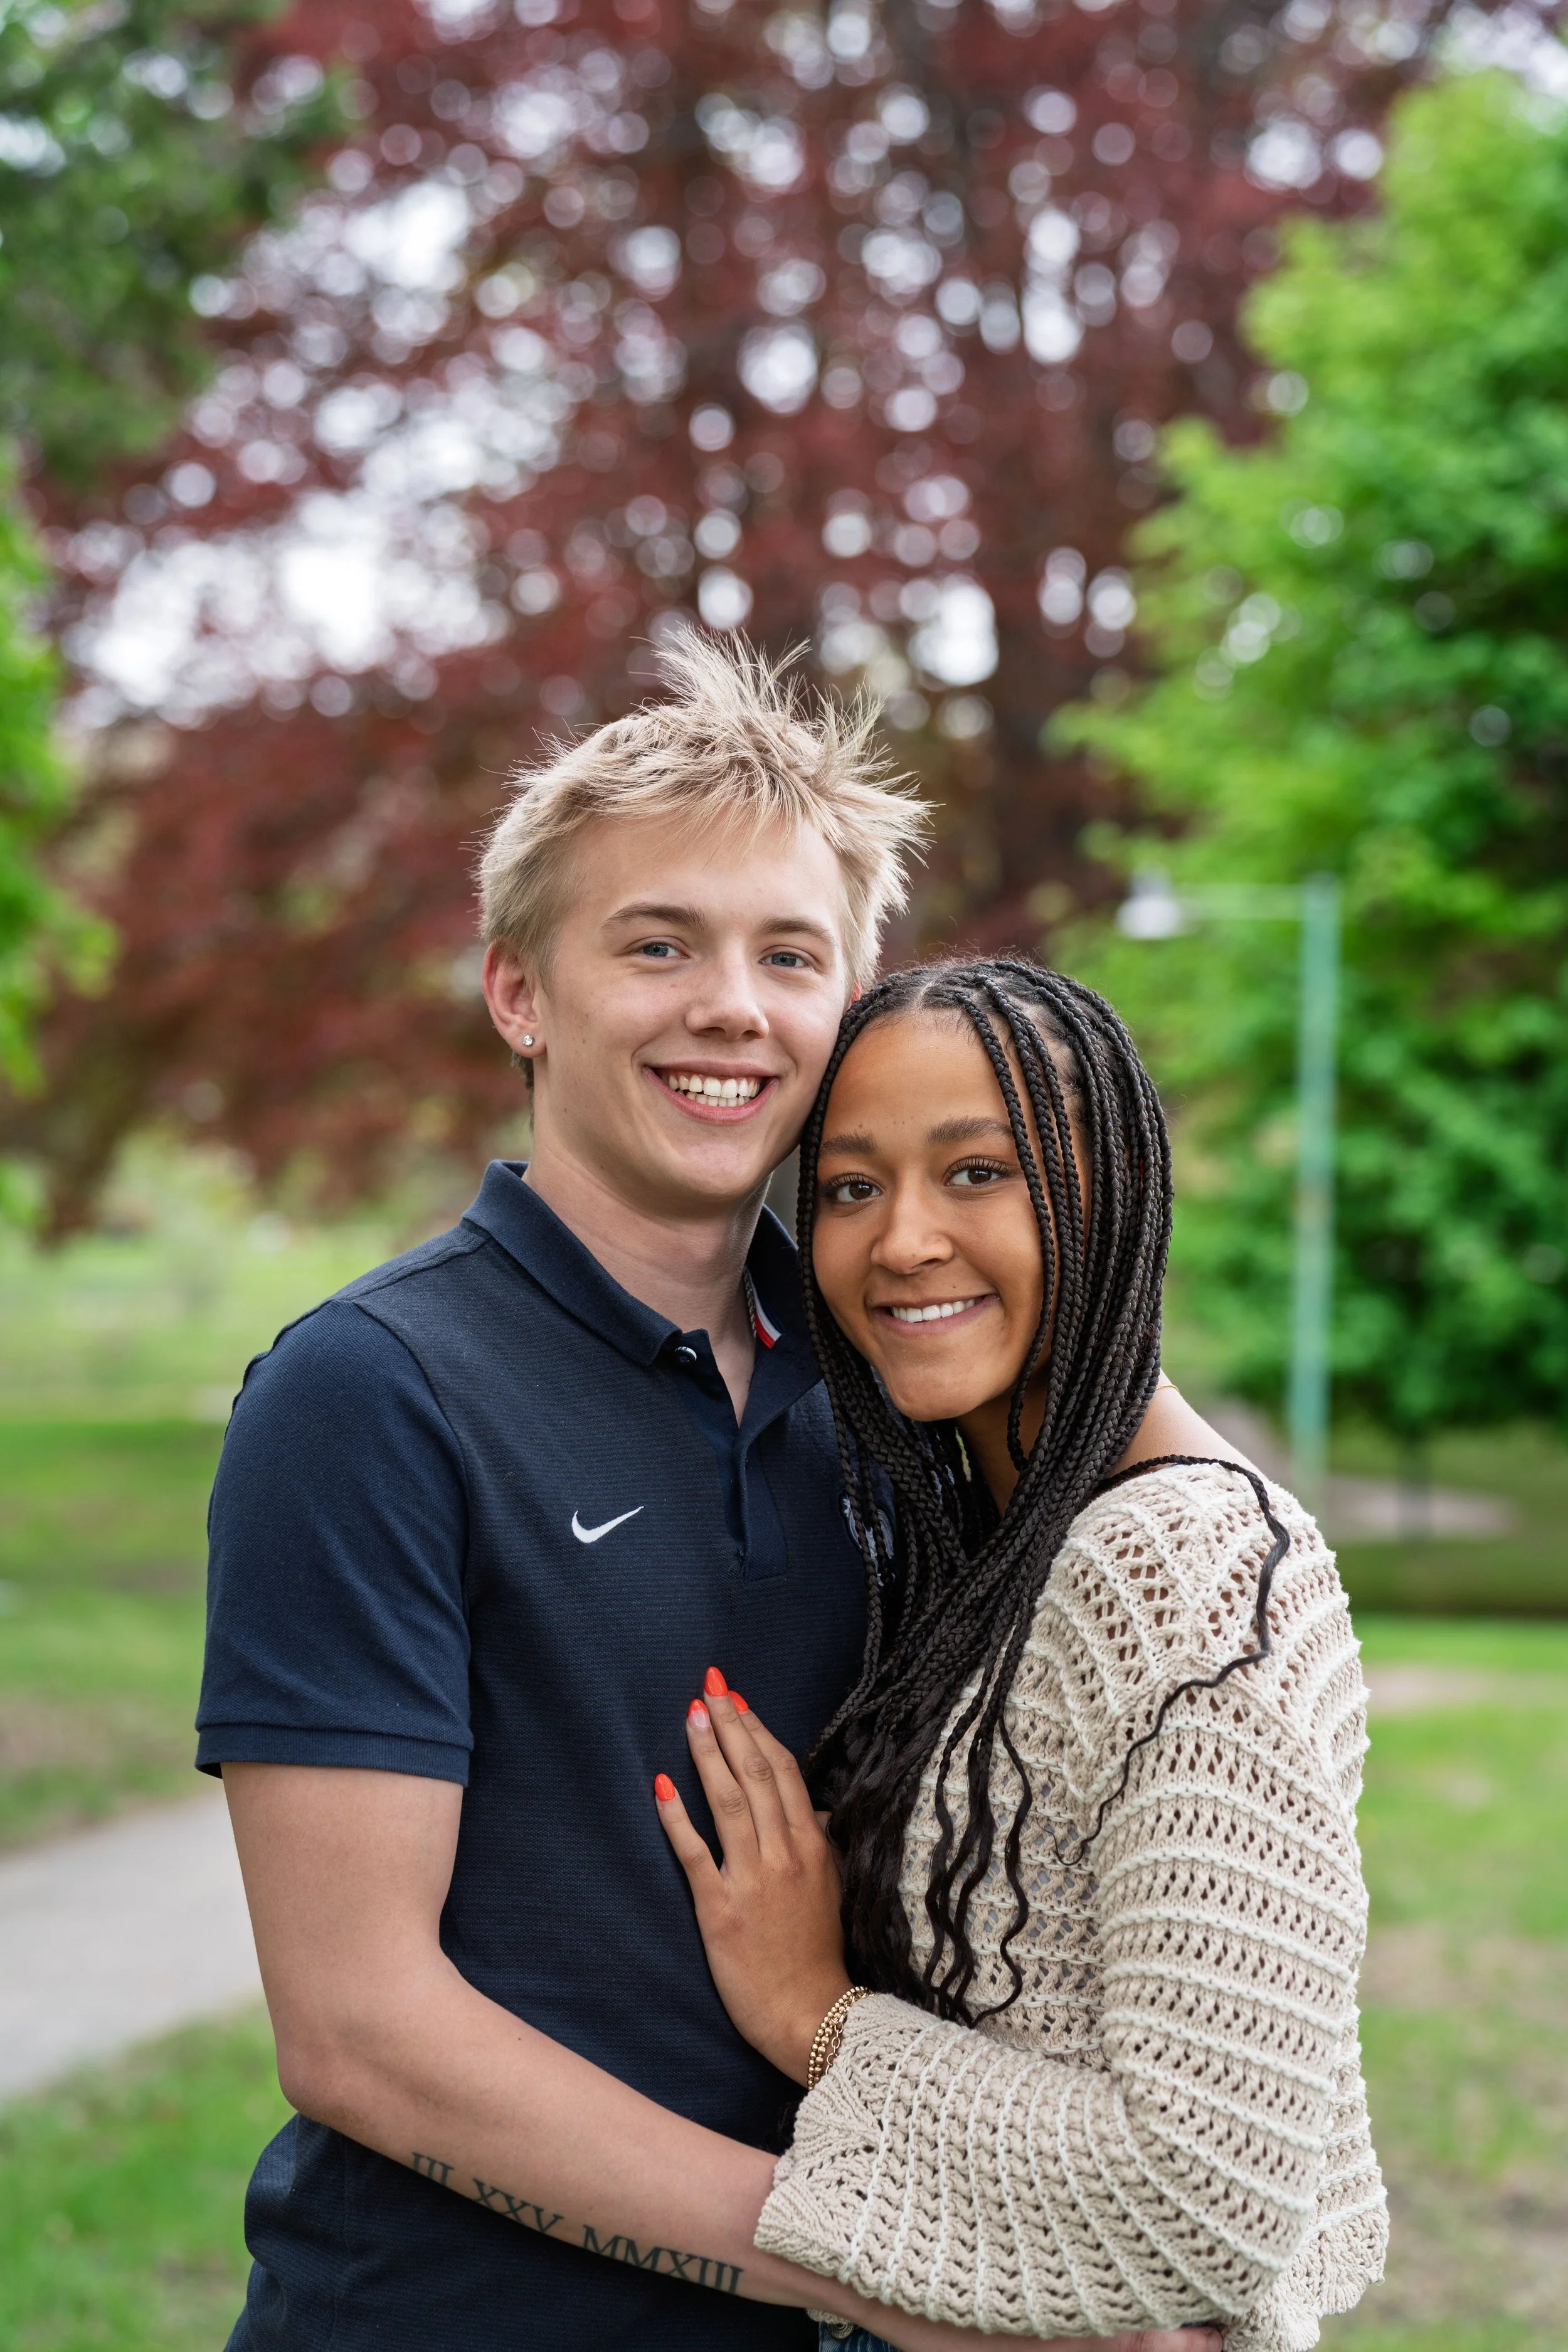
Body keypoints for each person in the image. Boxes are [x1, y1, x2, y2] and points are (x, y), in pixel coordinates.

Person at [199, 640, 1220, 2352]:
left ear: (852, 1003)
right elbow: (357, 2027)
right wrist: (901, 2273)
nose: (729, 1004)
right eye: (656, 942)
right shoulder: (369, 1388)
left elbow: (1198, 1548)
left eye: (788, 954)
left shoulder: (896, 1371)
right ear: (519, 988)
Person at [654, 957, 1389, 2352]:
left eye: (977, 1172)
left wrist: (815, 2015)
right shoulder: (994, 1537)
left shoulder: (1182, 1568)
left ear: (1109, 1194)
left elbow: (1204, 2197)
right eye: (850, 1188)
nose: (901, 1241)